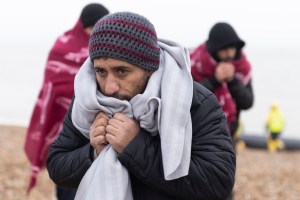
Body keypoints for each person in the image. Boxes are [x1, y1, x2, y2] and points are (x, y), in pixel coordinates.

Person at [46, 12, 236, 200]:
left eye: (122, 71)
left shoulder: (194, 102)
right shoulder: (88, 99)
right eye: (101, 72)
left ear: (149, 68)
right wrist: (92, 152)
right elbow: (56, 166)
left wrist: (135, 145)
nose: (109, 87)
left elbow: (218, 182)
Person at [24, 3, 109, 199]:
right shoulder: (63, 46)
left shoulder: (105, 48)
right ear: (85, 25)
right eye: (95, 26)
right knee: (67, 177)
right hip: (64, 125)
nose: (98, 31)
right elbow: (52, 86)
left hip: (99, 127)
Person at [190, 22, 254, 141]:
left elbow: (248, 102)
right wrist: (215, 80)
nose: (229, 53)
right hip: (198, 134)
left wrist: (232, 81)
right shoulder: (193, 64)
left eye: (232, 48)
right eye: (224, 49)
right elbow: (188, 98)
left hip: (229, 134)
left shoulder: (242, 68)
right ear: (214, 49)